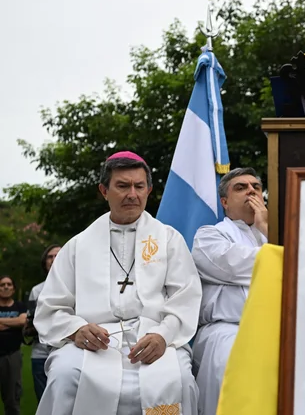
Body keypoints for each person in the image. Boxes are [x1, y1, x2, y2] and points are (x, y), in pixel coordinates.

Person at [33, 151, 203, 415]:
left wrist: (163, 335)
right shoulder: (78, 245)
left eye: (139, 186)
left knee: (180, 379)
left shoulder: (169, 239)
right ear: (104, 190)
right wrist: (76, 329)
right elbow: (51, 306)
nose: (132, 194)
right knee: (64, 375)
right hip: (95, 342)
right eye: (122, 186)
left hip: (153, 338)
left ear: (149, 190)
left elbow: (186, 297)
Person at [191, 167, 269, 415]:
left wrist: (267, 227)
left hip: (278, 328)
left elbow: (301, 265)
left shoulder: (274, 234)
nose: (251, 191)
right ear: (224, 202)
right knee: (232, 365)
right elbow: (236, 264)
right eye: (241, 187)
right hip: (227, 329)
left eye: (256, 187)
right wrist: (282, 256)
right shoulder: (209, 236)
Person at [24, 244, 62, 401]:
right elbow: (31, 324)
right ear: (44, 262)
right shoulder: (37, 291)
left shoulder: (77, 287)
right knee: (44, 401)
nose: (54, 259)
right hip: (41, 353)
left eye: (57, 255)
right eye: (50, 257)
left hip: (66, 351)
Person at [0, 275, 27, 415]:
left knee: (12, 398)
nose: (5, 287)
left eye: (9, 284)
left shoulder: (20, 306)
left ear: (13, 289)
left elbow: (23, 322)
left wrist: (2, 322)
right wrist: (12, 322)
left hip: (12, 355)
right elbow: (18, 321)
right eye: (2, 284)